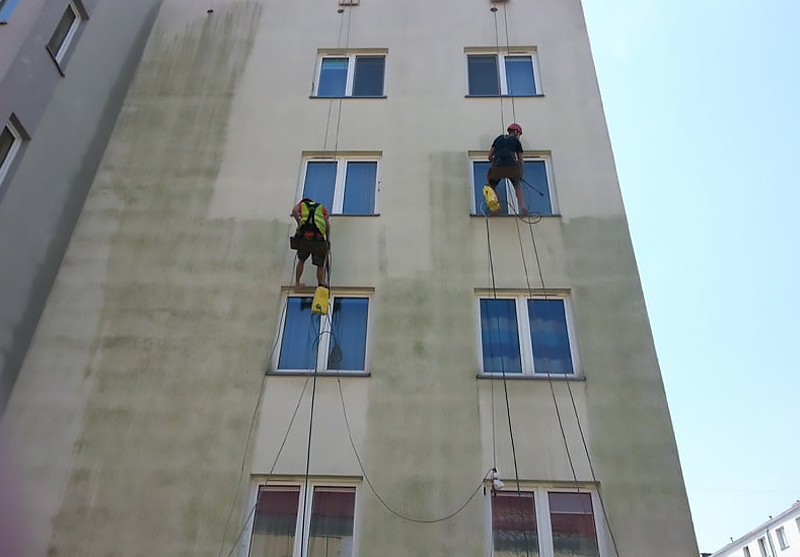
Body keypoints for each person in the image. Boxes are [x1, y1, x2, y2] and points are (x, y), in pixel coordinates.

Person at [487, 123, 527, 216]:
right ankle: (523, 206)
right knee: (517, 185)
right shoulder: (516, 141)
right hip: (512, 165)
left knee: (491, 186)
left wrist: (495, 165)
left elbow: (489, 156)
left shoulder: (499, 139)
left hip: (498, 164)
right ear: (516, 132)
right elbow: (521, 160)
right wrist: (521, 173)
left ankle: (495, 208)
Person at [292, 198, 331, 288]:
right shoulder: (321, 208)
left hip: (304, 237)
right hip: (318, 237)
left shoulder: (302, 205)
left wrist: (299, 223)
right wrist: (328, 239)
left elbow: (294, 211)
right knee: (320, 263)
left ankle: (297, 283)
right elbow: (327, 224)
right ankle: (321, 283)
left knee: (301, 260)